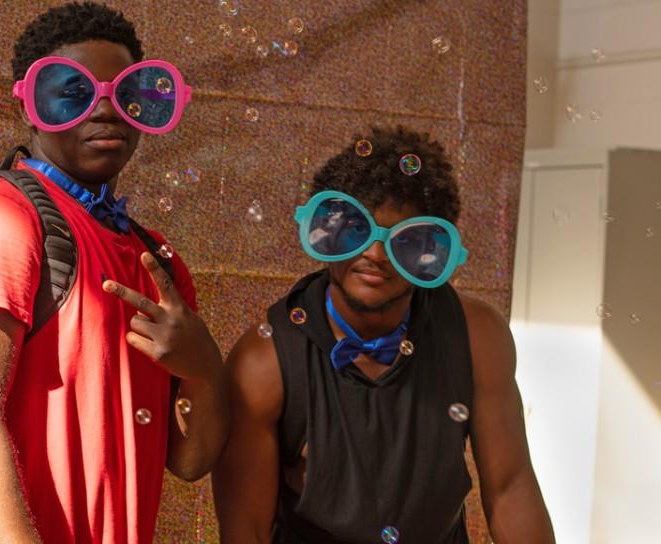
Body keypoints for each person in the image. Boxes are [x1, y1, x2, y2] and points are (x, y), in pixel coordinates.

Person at [0, 3, 228, 543]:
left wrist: (205, 367)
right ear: (31, 107)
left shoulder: (157, 258)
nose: (106, 112)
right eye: (73, 91)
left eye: (126, 95)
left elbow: (191, 461)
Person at [211, 126, 555, 543]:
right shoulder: (264, 361)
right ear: (326, 231)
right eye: (356, 230)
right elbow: (246, 531)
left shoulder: (476, 334)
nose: (375, 254)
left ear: (432, 252)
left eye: (404, 241)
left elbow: (510, 488)